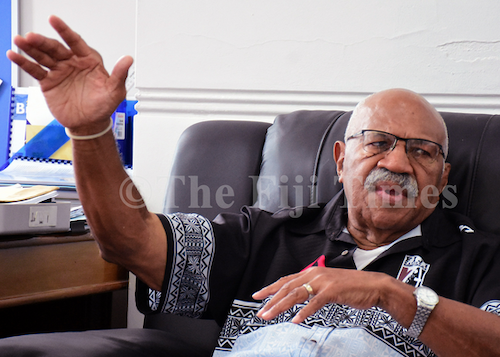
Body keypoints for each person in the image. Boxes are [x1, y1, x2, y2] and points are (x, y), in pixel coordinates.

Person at [4, 15, 500, 357]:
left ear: (443, 176)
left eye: (421, 151)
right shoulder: (265, 236)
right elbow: (130, 241)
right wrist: (90, 134)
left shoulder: (481, 258)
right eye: (378, 142)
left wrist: (390, 295)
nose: (397, 161)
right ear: (341, 159)